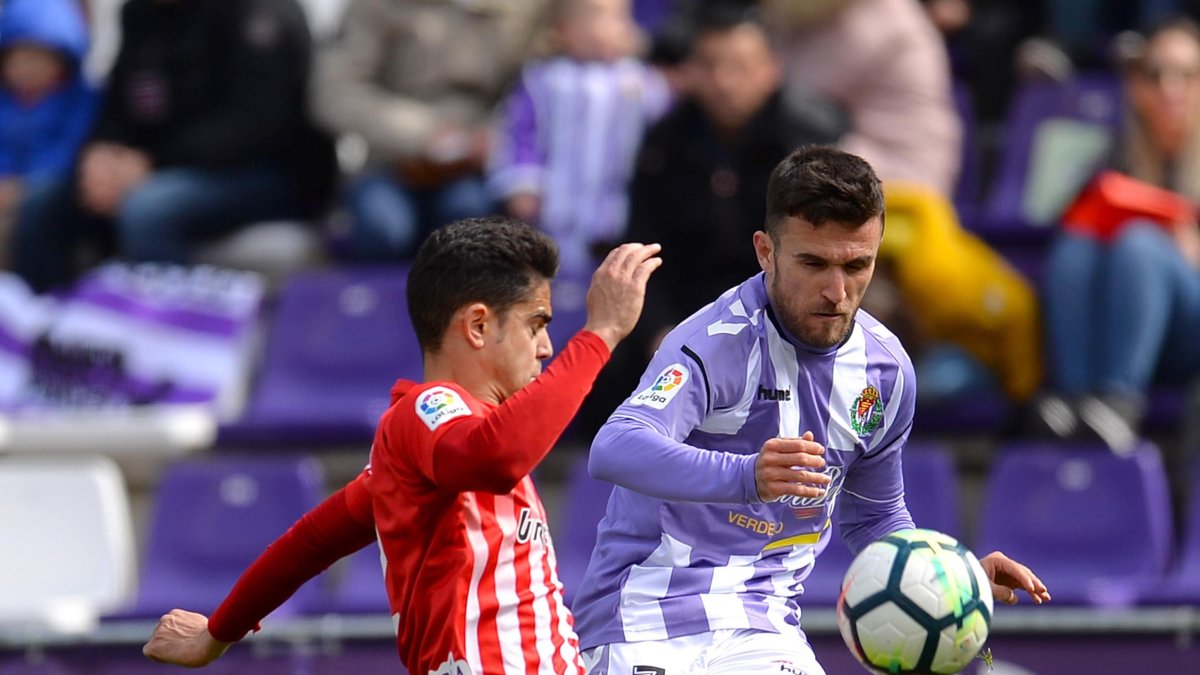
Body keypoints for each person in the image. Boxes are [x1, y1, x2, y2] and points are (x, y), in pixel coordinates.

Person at [571, 146, 1051, 674]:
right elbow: (615, 447)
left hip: (764, 625)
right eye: (813, 263)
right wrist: (749, 475)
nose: (836, 291)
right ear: (765, 251)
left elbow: (874, 514)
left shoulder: (885, 371)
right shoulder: (715, 342)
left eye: (856, 265)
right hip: (645, 619)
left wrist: (946, 576)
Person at [143, 216, 662, 673]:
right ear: (478, 325)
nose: (547, 347)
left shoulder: (426, 458)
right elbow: (496, 456)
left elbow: (307, 544)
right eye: (537, 324)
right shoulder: (428, 412)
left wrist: (219, 632)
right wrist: (600, 335)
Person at [573, 3, 846, 438]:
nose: (723, 82)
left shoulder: (807, 140)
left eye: (739, 67)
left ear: (771, 69)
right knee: (609, 377)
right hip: (686, 313)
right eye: (710, 66)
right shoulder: (663, 142)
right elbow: (644, 246)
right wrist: (657, 332)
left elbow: (819, 254)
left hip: (777, 310)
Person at [12, 0, 336, 293]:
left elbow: (257, 126)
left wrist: (149, 164)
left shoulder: (261, 11)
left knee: (149, 209)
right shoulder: (139, 14)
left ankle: (173, 342)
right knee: (44, 200)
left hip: (267, 174)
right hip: (162, 168)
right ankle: (44, 336)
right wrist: (101, 153)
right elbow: (121, 104)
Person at [1037, 16, 1200, 453]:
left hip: (1189, 328)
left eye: (1187, 75)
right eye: (1155, 74)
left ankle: (1118, 404)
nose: (1171, 88)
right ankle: (1075, 402)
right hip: (1126, 319)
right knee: (1075, 248)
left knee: (1140, 245)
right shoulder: (1118, 154)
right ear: (1136, 87)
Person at [312, 0, 547, 262]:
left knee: (469, 223)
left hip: (475, 168)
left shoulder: (517, 9)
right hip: (392, 163)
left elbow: (535, 85)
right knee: (383, 228)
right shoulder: (373, 8)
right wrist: (425, 134)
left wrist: (496, 138)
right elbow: (336, 95)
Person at [488, 0, 672, 277]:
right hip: (558, 198)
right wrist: (523, 183)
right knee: (552, 263)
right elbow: (520, 133)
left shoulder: (639, 81)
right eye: (603, 19)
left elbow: (665, 129)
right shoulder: (545, 80)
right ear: (566, 30)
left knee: (618, 262)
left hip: (618, 199)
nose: (618, 29)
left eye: (622, 19)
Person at [0, 0, 97, 269]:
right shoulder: (6, 103)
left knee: (35, 207)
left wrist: (22, 185)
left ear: (61, 61)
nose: (26, 68)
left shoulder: (78, 100)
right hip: (7, 187)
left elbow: (69, 150)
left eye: (36, 58)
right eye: (17, 59)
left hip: (51, 186)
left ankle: (35, 292)